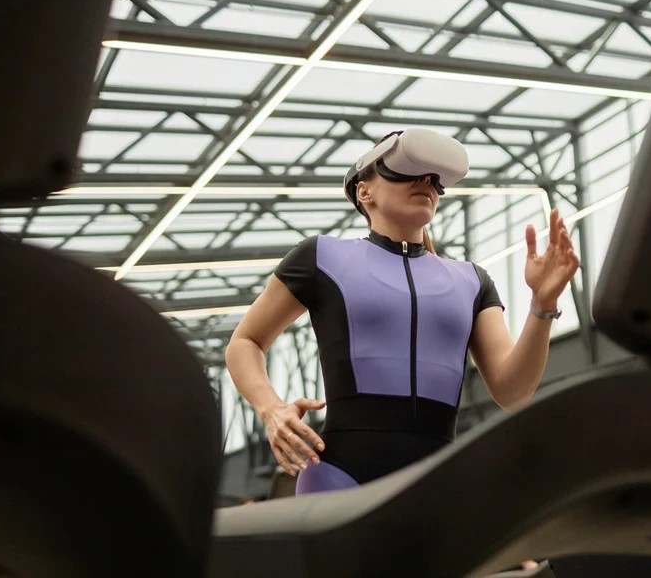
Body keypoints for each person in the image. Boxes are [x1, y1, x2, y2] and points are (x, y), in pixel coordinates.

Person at [226, 127, 580, 496]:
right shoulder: (321, 258)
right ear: (364, 191)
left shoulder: (472, 281)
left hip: (437, 483)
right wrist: (271, 409)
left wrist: (543, 303)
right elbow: (245, 341)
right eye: (406, 171)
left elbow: (513, 392)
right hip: (338, 477)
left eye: (434, 178)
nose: (426, 181)